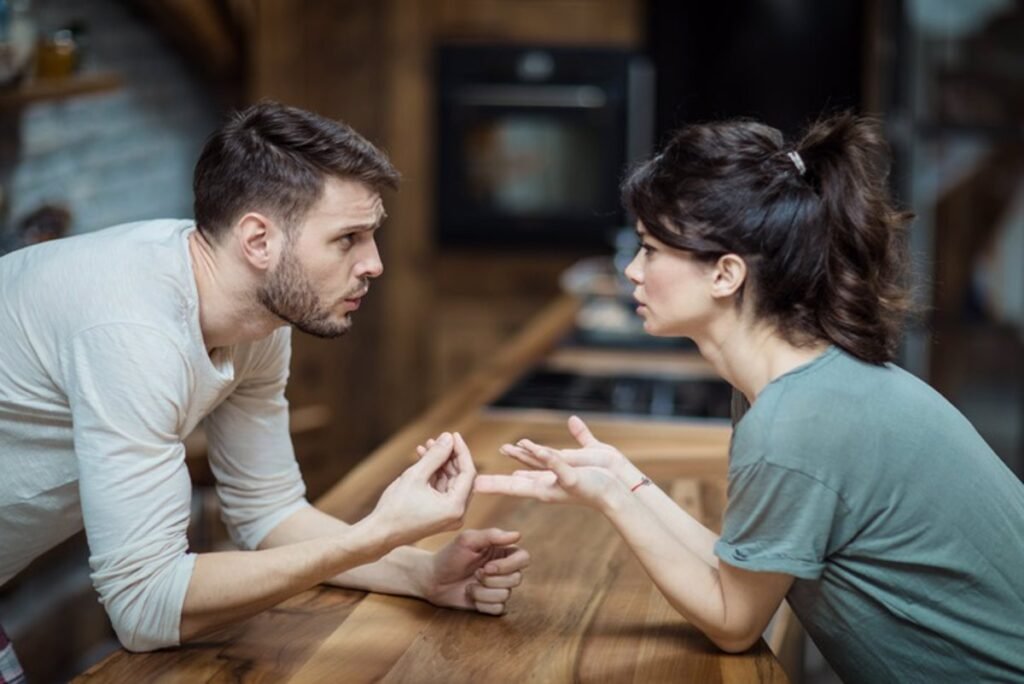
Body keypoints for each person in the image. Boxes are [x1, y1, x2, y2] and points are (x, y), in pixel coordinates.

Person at [475, 112, 1024, 682]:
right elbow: (738, 570)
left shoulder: (794, 420)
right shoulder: (792, 386)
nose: (633, 272)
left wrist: (613, 502)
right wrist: (623, 479)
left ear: (725, 274)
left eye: (651, 249)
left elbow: (734, 622)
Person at [0, 101, 529, 662]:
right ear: (258, 241)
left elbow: (268, 512)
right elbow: (145, 608)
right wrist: (375, 535)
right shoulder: (133, 330)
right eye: (348, 238)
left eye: (371, 235)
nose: (374, 263)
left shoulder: (257, 316)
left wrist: (421, 572)